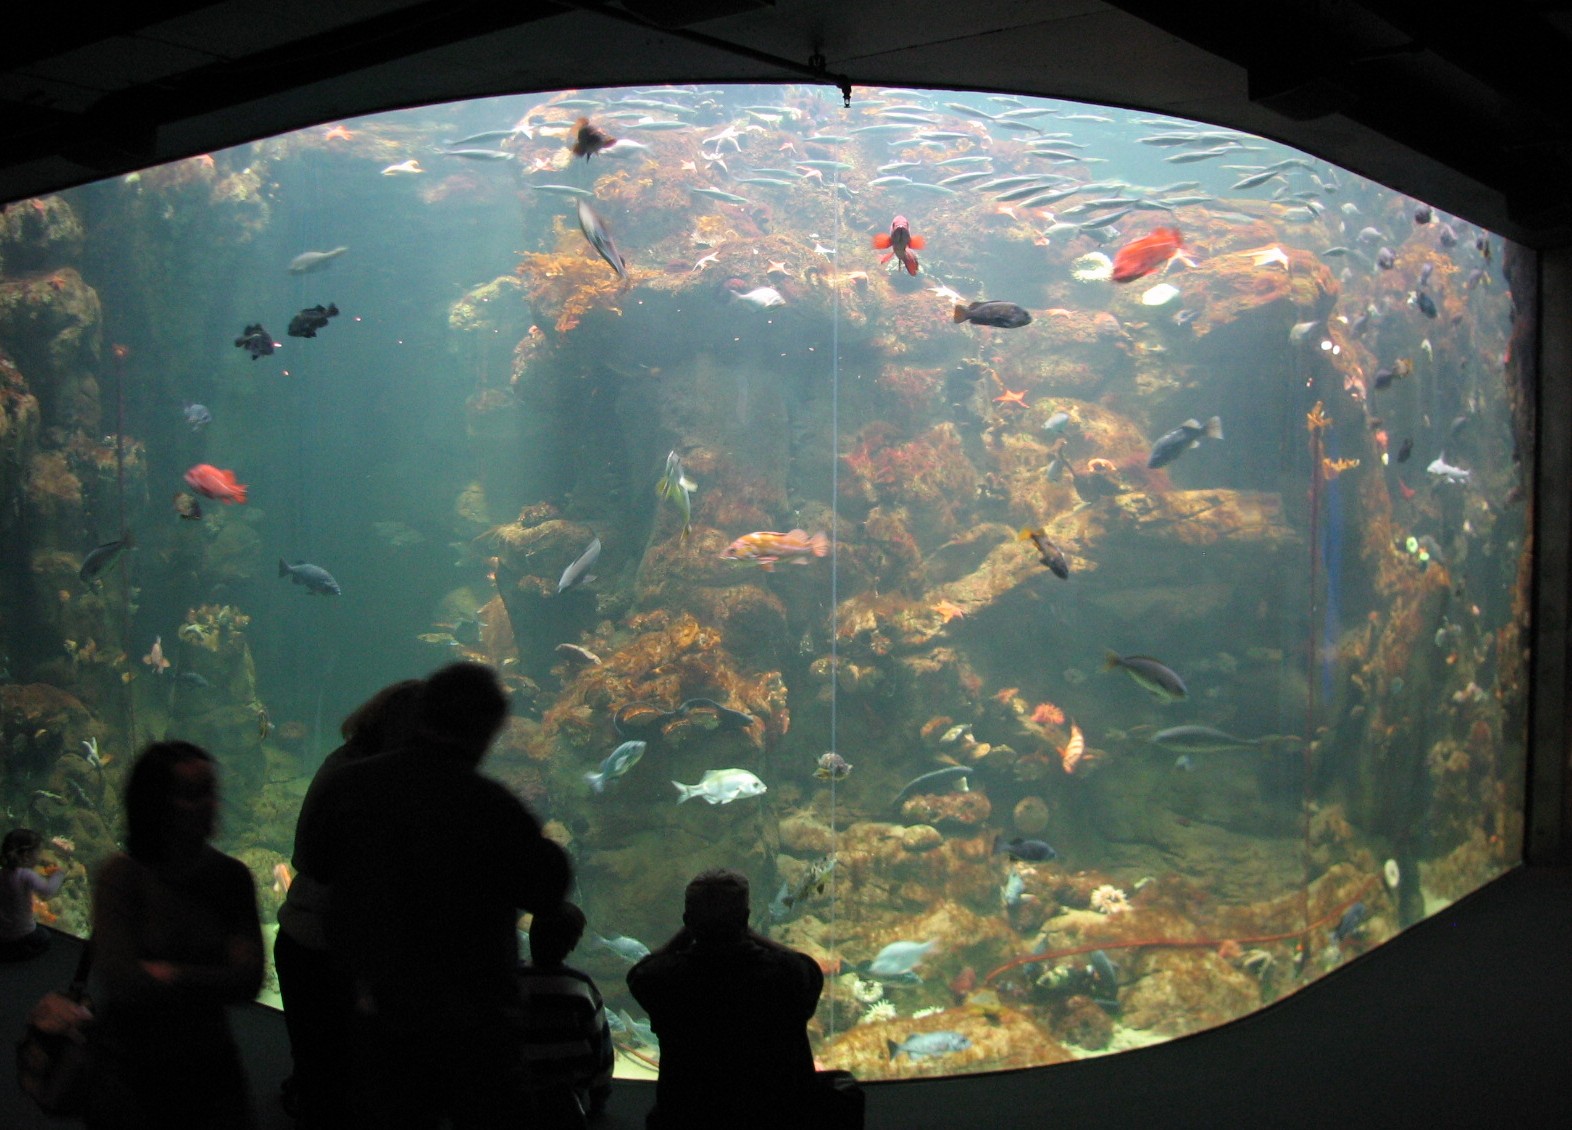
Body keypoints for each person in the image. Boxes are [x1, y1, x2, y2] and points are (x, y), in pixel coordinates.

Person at [305, 661, 572, 1128]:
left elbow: (315, 862)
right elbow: (548, 891)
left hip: (379, 1004)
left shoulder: (352, 784)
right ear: (487, 730)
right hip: (475, 1019)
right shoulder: (492, 806)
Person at [85, 740, 265, 1130]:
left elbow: (249, 982)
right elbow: (120, 980)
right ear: (156, 804)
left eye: (211, 791)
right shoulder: (121, 877)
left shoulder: (233, 877)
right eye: (193, 794)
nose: (210, 804)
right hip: (131, 1069)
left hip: (209, 1065)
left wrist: (168, 973)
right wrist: (212, 975)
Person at [274, 678, 423, 1128]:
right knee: (340, 1082)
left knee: (320, 1074)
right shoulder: (365, 776)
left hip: (308, 941)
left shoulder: (345, 762)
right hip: (328, 949)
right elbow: (321, 862)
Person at [628, 868, 849, 1130]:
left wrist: (686, 933)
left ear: (688, 920)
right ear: (745, 918)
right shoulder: (785, 974)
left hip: (691, 1116)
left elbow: (638, 973)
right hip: (775, 1116)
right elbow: (807, 967)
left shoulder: (667, 978)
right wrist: (752, 934)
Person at [516, 901, 614, 1124]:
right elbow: (602, 1045)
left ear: (532, 935)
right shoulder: (580, 986)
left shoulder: (512, 981)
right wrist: (599, 1100)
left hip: (516, 1095)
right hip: (567, 1099)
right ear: (572, 944)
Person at [1, 827, 69, 961]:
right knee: (44, 937)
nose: (40, 857)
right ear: (26, 855)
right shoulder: (26, 875)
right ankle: (17, 954)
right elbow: (47, 891)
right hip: (22, 931)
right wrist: (59, 874)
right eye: (38, 853)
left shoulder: (2, 873)